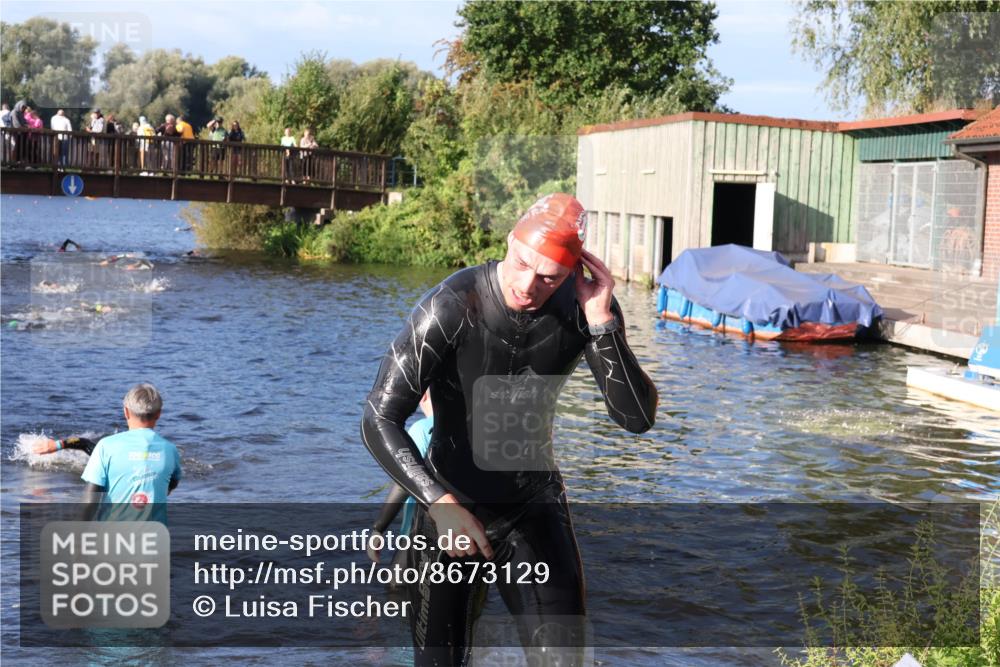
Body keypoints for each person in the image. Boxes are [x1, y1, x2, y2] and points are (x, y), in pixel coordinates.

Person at [361, 193, 658, 666]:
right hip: (451, 506)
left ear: (574, 271)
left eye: (548, 277)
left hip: (532, 507)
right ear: (508, 242)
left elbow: (636, 419)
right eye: (520, 263)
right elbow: (379, 416)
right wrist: (439, 504)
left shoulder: (585, 309)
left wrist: (603, 323)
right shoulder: (452, 304)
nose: (527, 285)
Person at [80, 383, 182, 522]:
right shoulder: (170, 450)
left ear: (126, 412)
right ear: (159, 414)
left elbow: (90, 497)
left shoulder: (106, 446)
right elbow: (173, 482)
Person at [367, 390, 434, 572]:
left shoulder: (422, 429)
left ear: (423, 396)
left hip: (420, 534)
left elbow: (406, 481)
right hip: (470, 534)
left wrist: (378, 528)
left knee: (396, 588)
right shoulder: (473, 430)